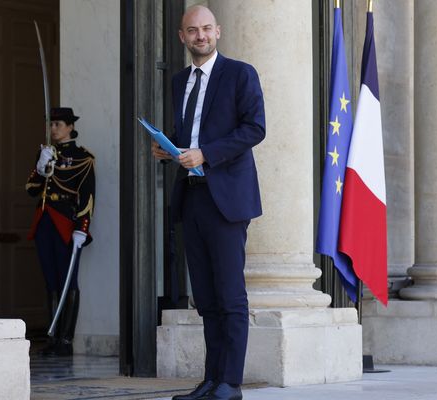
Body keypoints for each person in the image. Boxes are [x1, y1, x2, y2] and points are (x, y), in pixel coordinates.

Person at [152, 5, 265, 400]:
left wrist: (205, 154)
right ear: (182, 37)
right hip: (192, 197)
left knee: (230, 296)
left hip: (227, 200)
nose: (200, 36)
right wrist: (170, 148)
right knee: (206, 298)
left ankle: (230, 384)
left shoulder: (240, 73)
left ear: (217, 32)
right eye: (192, 31)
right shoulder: (180, 80)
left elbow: (254, 128)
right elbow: (191, 130)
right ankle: (211, 380)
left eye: (206, 29)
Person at [26, 107, 95, 356]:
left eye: (57, 124)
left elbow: (87, 196)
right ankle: (52, 337)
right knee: (51, 280)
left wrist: (82, 229)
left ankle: (66, 340)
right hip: (44, 221)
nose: (53, 129)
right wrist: (42, 167)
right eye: (51, 124)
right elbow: (31, 189)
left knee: (68, 280)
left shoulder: (82, 157)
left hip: (67, 223)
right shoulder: (46, 153)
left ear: (69, 127)